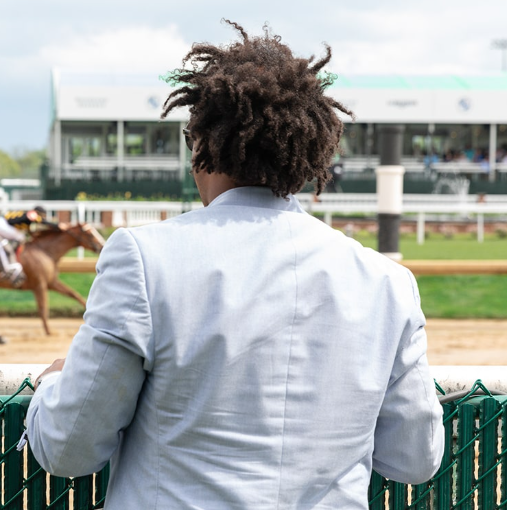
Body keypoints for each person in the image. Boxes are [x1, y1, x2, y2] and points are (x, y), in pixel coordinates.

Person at [24, 21, 444, 509]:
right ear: (309, 155)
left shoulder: (141, 258)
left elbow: (68, 448)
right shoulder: (388, 283)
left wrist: (52, 383)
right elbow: (414, 459)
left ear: (203, 145)